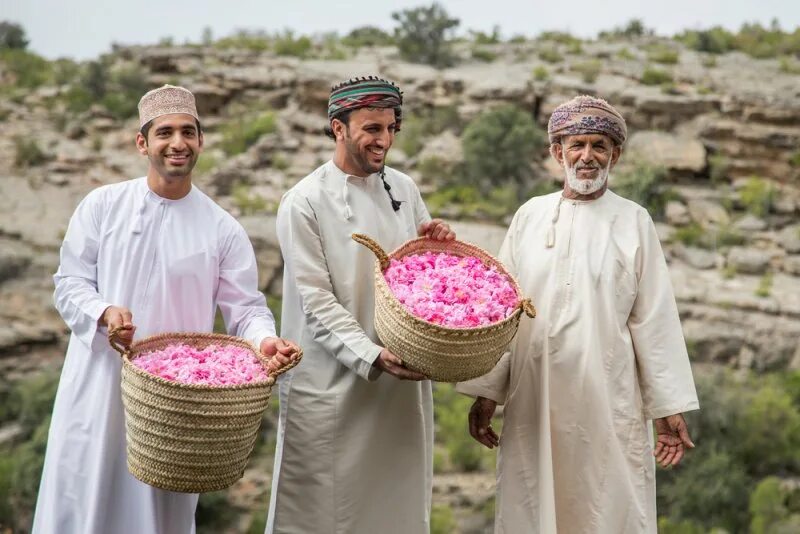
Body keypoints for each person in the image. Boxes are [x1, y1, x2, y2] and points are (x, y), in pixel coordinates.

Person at [32, 85, 299, 534]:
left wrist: (264, 340)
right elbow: (69, 282)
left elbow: (247, 309)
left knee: (157, 518)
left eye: (188, 132)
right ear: (143, 143)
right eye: (165, 133)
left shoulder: (223, 229)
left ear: (201, 141)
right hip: (97, 386)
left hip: (171, 412)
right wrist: (102, 313)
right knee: (80, 504)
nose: (178, 143)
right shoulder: (102, 205)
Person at [457, 95, 699, 533]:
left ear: (615, 155)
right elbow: (500, 312)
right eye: (577, 145)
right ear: (557, 152)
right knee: (533, 503)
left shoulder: (633, 221)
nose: (587, 156)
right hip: (535, 395)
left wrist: (668, 408)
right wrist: (487, 391)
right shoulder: (529, 216)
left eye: (599, 146)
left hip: (607, 399)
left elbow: (655, 319)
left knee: (606, 506)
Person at [266, 76, 455, 534]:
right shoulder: (303, 202)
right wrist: (371, 354)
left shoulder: (404, 188)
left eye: (391, 128)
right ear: (338, 128)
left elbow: (422, 274)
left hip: (398, 384)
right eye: (372, 129)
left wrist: (439, 243)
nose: (384, 140)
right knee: (321, 513)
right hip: (331, 384)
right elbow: (315, 301)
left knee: (398, 510)